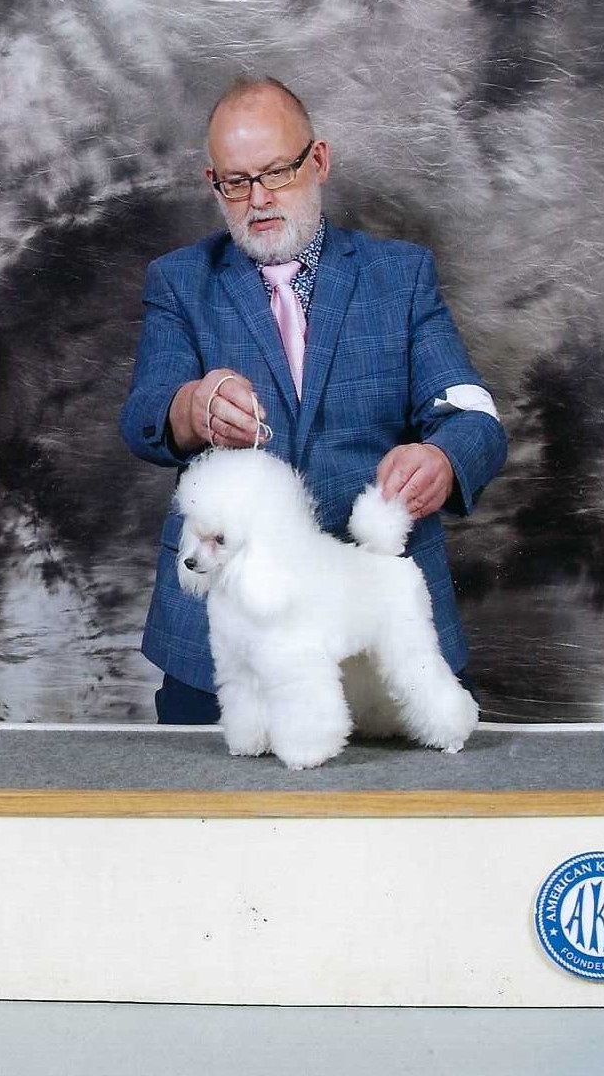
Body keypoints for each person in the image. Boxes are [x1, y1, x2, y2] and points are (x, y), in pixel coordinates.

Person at [121, 76, 506, 723]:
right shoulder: (180, 281)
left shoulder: (401, 275)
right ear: (212, 183)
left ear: (319, 160)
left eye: (277, 171)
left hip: (371, 623)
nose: (259, 198)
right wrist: (193, 406)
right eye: (236, 181)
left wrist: (443, 459)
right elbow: (143, 415)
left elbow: (474, 415)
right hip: (221, 637)